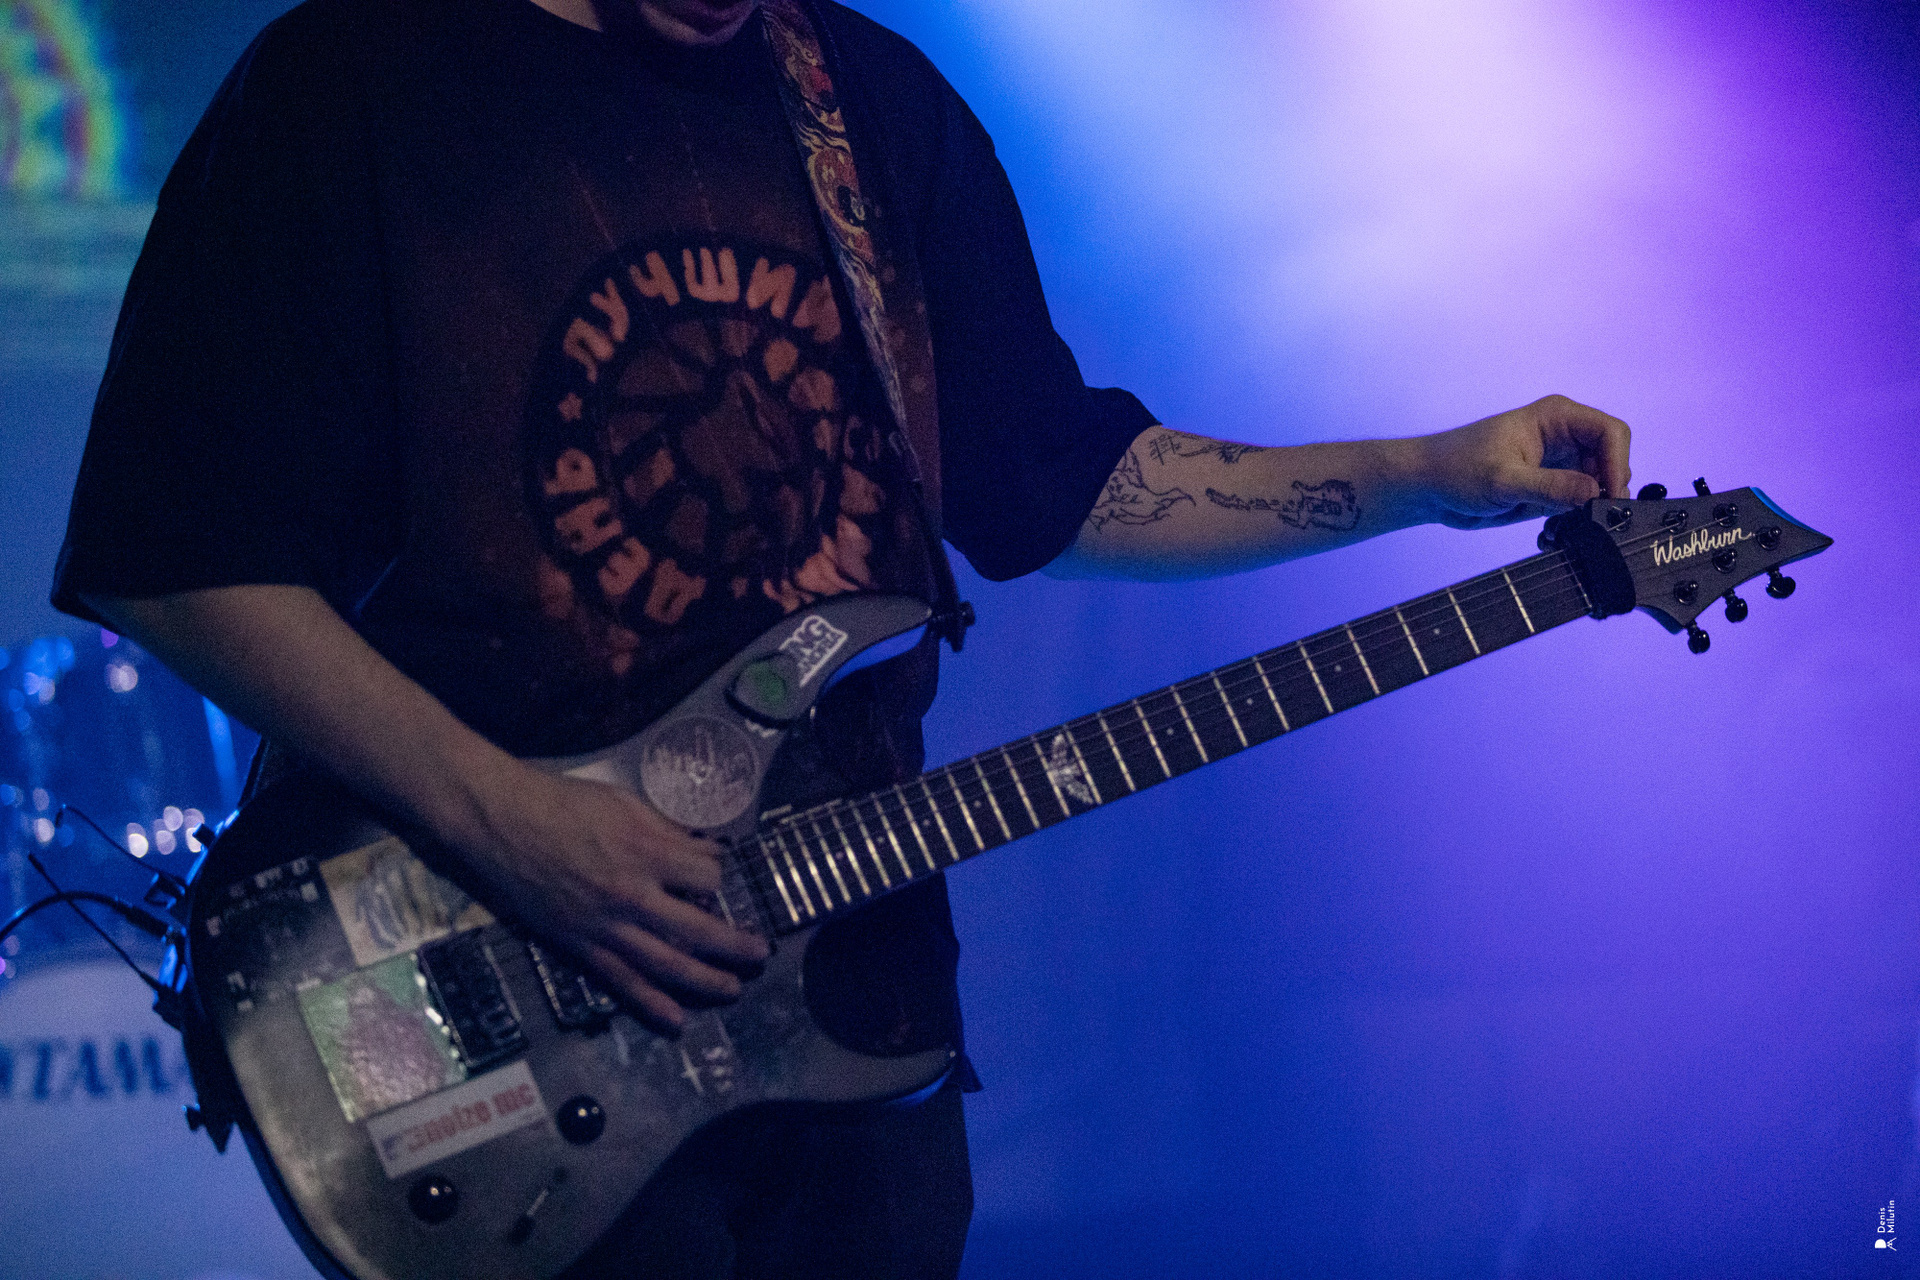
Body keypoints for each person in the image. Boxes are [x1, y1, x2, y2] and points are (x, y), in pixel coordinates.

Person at [51, 0, 1631, 1274]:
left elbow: (1066, 482)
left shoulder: (870, 109)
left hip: (853, 1003)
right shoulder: (349, 85)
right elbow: (173, 564)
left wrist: (1428, 471)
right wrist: (512, 825)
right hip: (488, 984)